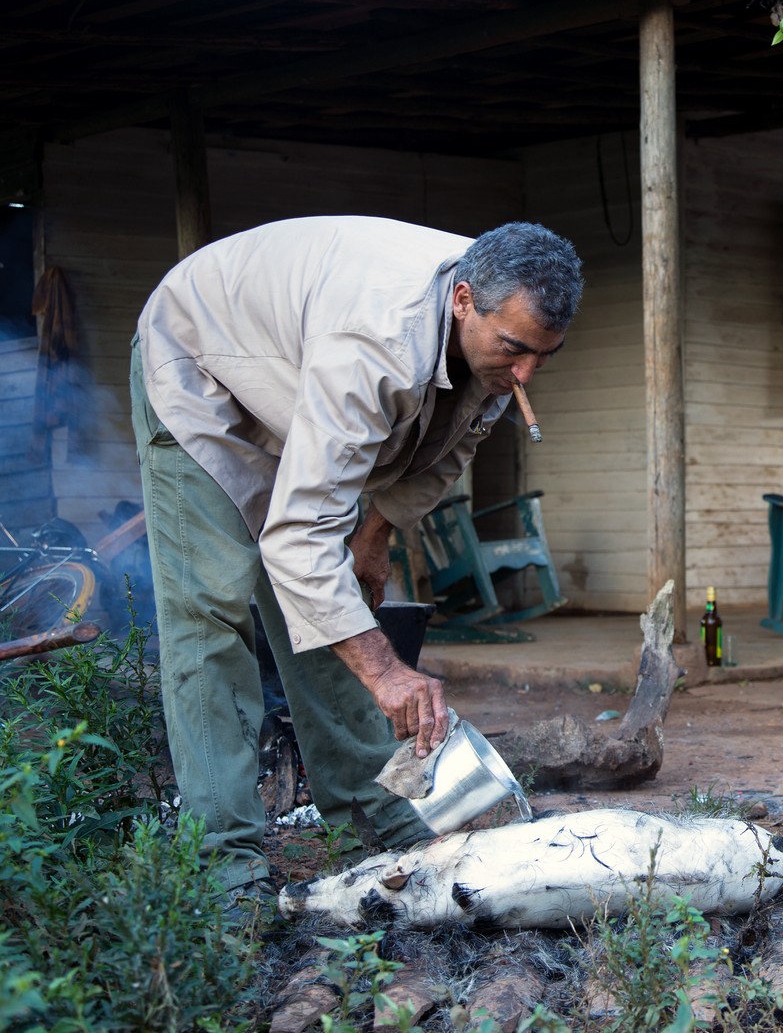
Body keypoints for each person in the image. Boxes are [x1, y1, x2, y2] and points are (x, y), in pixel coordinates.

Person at [130, 216, 583, 917]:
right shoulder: (375, 345)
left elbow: (453, 449)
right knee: (213, 606)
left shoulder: (495, 340)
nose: (525, 374)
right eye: (515, 350)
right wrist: (384, 668)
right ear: (463, 300)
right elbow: (298, 540)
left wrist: (374, 535)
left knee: (326, 605)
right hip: (200, 367)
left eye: (544, 356)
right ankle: (225, 865)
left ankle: (376, 817)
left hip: (296, 383)